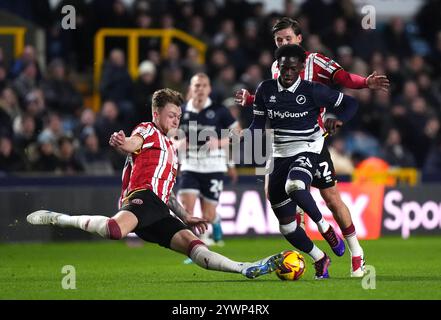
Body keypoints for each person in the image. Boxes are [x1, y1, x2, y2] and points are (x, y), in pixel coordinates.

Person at [27, 88, 283, 280]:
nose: (175, 121)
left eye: (178, 116)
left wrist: (185, 216)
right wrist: (122, 142)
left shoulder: (171, 147)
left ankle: (244, 268)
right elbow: (133, 143)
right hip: (142, 197)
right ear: (156, 113)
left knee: (194, 246)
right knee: (115, 231)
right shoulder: (148, 130)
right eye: (171, 115)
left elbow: (168, 191)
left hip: (158, 209)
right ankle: (58, 218)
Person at [236, 17, 389, 277]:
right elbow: (276, 99)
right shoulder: (276, 67)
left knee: (331, 198)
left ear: (299, 39)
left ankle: (356, 252)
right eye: (278, 40)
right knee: (276, 195)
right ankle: (316, 251)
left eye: (287, 39)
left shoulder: (315, 61)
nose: (283, 43)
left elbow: (342, 77)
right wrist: (252, 99)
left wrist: (364, 83)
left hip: (312, 141)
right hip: (281, 143)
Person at [247, 44, 359, 279]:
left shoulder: (314, 90)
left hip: (308, 147)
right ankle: (320, 258)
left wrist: (338, 119)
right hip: (278, 153)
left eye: (293, 69)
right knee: (287, 226)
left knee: (295, 186)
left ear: (300, 68)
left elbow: (351, 103)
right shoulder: (265, 90)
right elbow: (257, 125)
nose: (288, 73)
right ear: (278, 67)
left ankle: (325, 227)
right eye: (284, 68)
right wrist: (241, 139)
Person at [178, 73, 239, 247]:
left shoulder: (220, 110)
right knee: (187, 211)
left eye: (204, 85)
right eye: (197, 85)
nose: (200, 89)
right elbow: (166, 134)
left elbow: (238, 133)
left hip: (214, 165)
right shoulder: (181, 111)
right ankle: (197, 246)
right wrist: (177, 143)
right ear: (191, 88)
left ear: (209, 89)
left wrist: (219, 142)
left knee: (208, 216)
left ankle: (216, 220)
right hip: (190, 164)